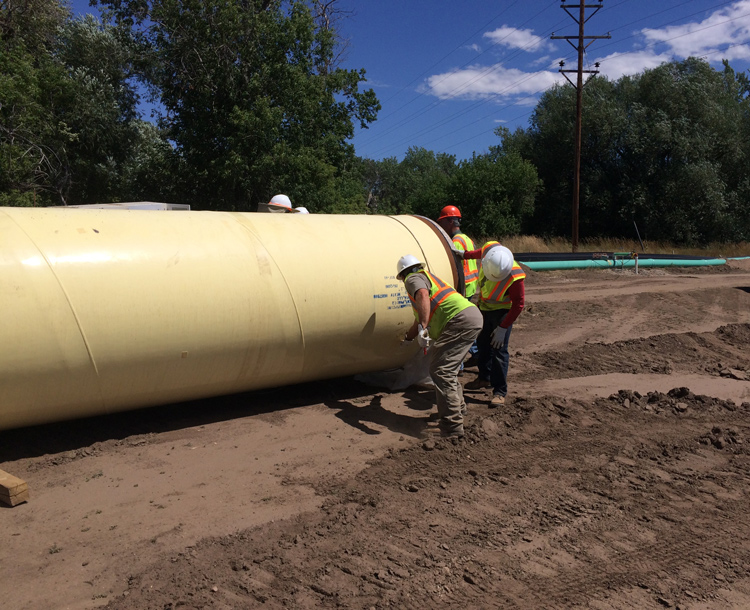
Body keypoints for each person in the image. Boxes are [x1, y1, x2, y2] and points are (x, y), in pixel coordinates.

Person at [396, 254, 483, 438]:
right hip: (468, 317)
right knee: (447, 370)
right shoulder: (427, 278)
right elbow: (419, 316)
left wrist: (423, 328)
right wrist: (409, 338)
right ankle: (457, 409)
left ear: (403, 274)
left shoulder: (413, 278)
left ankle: (451, 426)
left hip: (458, 321)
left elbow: (422, 295)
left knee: (440, 371)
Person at [462, 242, 526, 407]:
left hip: (502, 313)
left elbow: (518, 304)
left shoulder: (515, 275)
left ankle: (499, 391)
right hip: (484, 309)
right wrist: (463, 254)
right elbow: (477, 252)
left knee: (499, 352)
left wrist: (503, 327)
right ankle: (484, 378)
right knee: (483, 346)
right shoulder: (489, 251)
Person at [436, 205, 479, 299]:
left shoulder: (455, 242)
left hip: (463, 287)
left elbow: (454, 267)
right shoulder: (467, 239)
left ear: (450, 221)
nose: (441, 226)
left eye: (442, 222)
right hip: (471, 286)